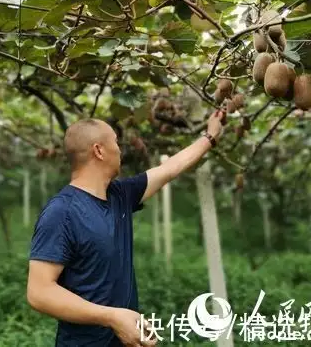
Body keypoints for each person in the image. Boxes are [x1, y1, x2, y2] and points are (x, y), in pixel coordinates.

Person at [26, 109, 226, 346]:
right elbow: (39, 293)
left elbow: (170, 168)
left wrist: (210, 137)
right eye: (115, 142)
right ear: (99, 150)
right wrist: (111, 316)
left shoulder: (119, 195)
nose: (120, 149)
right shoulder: (61, 212)